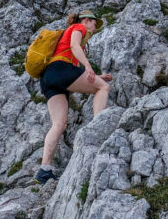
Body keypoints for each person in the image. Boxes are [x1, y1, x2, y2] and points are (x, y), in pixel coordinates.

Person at [34, 9, 112, 184]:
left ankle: (44, 170)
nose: (94, 27)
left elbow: (73, 71)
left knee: (59, 124)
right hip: (61, 69)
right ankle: (97, 129)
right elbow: (74, 47)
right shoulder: (79, 27)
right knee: (103, 88)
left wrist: (96, 77)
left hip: (48, 78)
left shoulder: (68, 33)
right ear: (86, 20)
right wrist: (89, 68)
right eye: (93, 23)